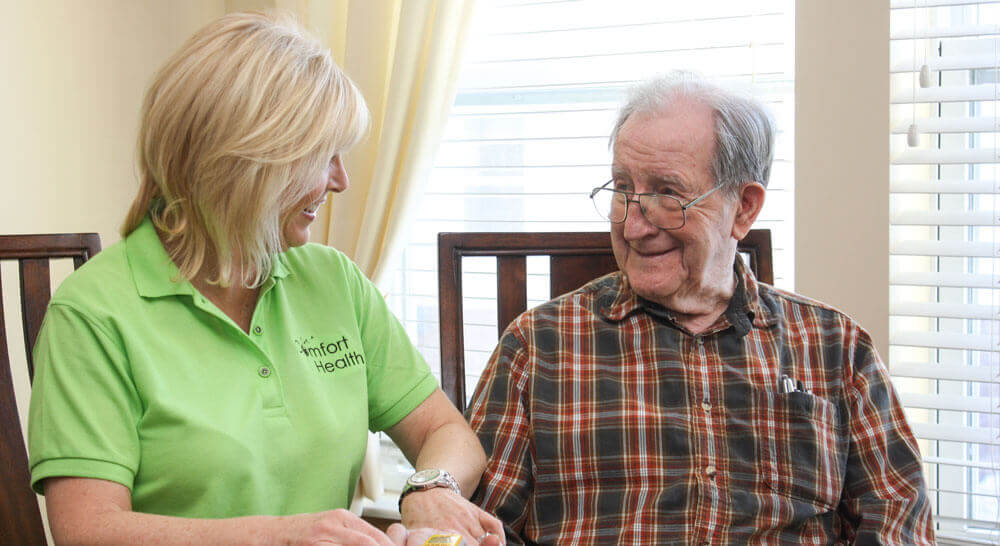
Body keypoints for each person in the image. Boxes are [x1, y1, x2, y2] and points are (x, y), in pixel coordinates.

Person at [27, 12, 503, 546]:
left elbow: (446, 432)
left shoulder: (335, 281)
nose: (341, 180)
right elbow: (87, 531)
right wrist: (280, 537)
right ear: (248, 162)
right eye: (323, 157)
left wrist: (430, 490)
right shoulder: (92, 314)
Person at [466, 72, 934, 544]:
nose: (633, 227)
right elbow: (474, 525)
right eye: (623, 189)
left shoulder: (835, 348)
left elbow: (899, 523)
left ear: (744, 208)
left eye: (668, 194)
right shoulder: (540, 346)